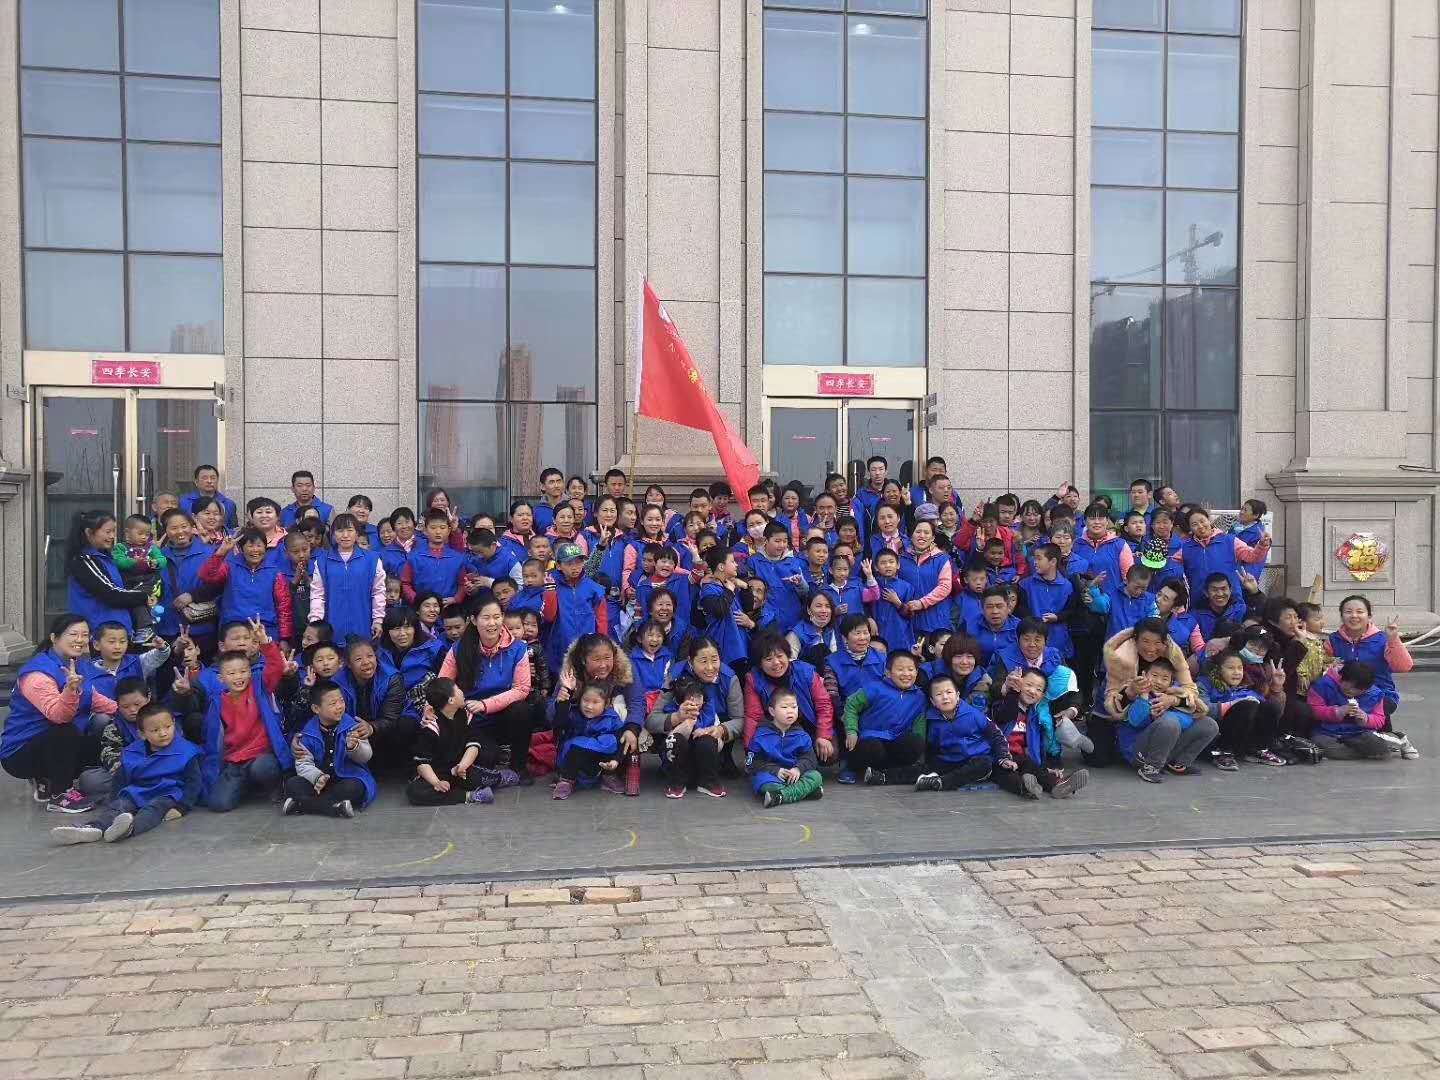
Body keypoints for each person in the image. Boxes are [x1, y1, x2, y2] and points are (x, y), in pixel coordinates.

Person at [1, 614, 112, 813]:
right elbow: (59, 716)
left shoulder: (77, 664)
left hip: (51, 745)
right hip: (20, 752)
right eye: (73, 634)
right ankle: (60, 795)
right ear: (54, 638)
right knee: (65, 731)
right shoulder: (37, 674)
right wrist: (70, 690)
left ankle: (47, 780)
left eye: (84, 634)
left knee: (102, 725)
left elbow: (94, 699)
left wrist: (136, 714)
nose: (80, 640)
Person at [51, 703, 203, 845]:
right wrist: (114, 801)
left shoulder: (186, 751)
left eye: (168, 727)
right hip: (137, 791)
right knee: (120, 805)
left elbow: (194, 783)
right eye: (155, 730)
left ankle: (129, 828)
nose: (163, 733)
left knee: (152, 810)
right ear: (142, 734)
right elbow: (120, 780)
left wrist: (182, 807)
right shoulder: (133, 752)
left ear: (174, 724)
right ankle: (93, 828)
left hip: (167, 794)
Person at [190, 618, 293, 811]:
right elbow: (212, 741)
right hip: (235, 760)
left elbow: (276, 667)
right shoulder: (217, 702)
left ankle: (274, 787)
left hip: (261, 755)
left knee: (263, 768)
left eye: (243, 671)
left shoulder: (259, 686)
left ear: (250, 672)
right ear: (221, 678)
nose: (239, 677)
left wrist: (265, 641)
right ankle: (244, 786)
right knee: (218, 804)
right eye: (232, 674)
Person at [437, 596, 534, 785]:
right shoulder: (459, 649)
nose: (492, 623)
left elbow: (522, 689)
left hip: (503, 714)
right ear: (473, 620)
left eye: (497, 617)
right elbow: (443, 685)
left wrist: (485, 704)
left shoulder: (518, 648)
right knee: (487, 758)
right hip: (472, 719)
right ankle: (494, 755)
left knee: (522, 710)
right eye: (486, 617)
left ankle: (519, 767)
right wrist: (429, 710)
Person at [1327, 595, 1414, 744]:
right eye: (1348, 612)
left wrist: (1393, 639)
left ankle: (1390, 740)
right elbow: (1325, 671)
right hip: (1344, 694)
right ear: (1341, 616)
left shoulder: (1383, 639)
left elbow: (1404, 666)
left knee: (1372, 712)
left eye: (1360, 612)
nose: (1354, 616)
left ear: (1369, 616)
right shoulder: (1333, 640)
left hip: (1381, 694)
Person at [282, 679, 376, 818]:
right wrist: (317, 777)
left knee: (354, 787)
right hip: (319, 780)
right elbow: (303, 763)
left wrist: (354, 747)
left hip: (346, 777)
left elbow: (366, 756)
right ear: (316, 709)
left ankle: (302, 805)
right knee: (292, 784)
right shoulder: (307, 733)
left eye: (341, 701)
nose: (339, 706)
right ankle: (335, 807)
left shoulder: (353, 726)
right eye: (333, 703)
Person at [990, 669, 1090, 799]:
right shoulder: (1001, 704)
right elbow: (1006, 714)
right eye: (1028, 685)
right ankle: (1026, 787)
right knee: (1007, 775)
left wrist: (1045, 767)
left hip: (1022, 759)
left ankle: (1058, 784)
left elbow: (1037, 745)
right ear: (1019, 683)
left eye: (1038, 689)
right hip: (998, 758)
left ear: (1042, 696)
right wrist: (1013, 692)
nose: (1032, 691)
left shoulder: (1034, 716)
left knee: (1034, 768)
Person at [1115, 657, 1216, 783]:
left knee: (1209, 724)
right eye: (1154, 675)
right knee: (1170, 721)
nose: (1158, 681)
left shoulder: (1173, 696)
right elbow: (1136, 722)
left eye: (1165, 678)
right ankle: (1150, 767)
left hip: (1164, 749)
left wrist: (1172, 704)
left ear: (1171, 682)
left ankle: (1178, 763)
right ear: (1144, 674)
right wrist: (1144, 696)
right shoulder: (1135, 692)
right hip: (1137, 750)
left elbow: (1188, 720)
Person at [406, 678, 501, 805]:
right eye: (458, 689)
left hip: (460, 768)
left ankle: (498, 778)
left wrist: (462, 766)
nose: (462, 692)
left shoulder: (465, 714)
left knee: (482, 765)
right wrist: (437, 782)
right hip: (437, 773)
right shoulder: (431, 727)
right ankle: (470, 796)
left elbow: (473, 744)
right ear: (451, 700)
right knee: (415, 791)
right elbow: (422, 763)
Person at [912, 674, 1012, 793]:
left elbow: (996, 736)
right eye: (939, 694)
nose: (945, 697)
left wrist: (1004, 757)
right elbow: (933, 747)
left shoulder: (973, 714)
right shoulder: (931, 720)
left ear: (958, 695)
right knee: (923, 768)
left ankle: (940, 782)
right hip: (950, 761)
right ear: (933, 701)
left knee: (984, 764)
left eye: (949, 692)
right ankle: (889, 777)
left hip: (975, 760)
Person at [842, 651, 927, 786]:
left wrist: (920, 750)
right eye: (900, 669)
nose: (906, 674)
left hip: (896, 741)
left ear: (916, 672)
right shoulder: (874, 688)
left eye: (911, 670)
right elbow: (851, 705)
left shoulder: (919, 696)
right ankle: (852, 768)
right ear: (888, 672)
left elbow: (920, 724)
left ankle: (885, 773)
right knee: (873, 748)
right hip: (871, 739)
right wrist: (851, 731)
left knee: (915, 742)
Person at [66, 511, 155, 638]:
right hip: (99, 632)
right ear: (89, 532)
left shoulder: (105, 558)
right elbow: (111, 593)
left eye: (114, 531)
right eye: (108, 532)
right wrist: (143, 596)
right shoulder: (84, 560)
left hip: (114, 631)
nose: (112, 536)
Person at [199, 528, 292, 646]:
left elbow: (284, 606)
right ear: (241, 548)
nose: (255, 550)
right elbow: (206, 576)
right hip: (233, 628)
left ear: (265, 548)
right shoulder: (230, 566)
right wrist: (222, 552)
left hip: (266, 628)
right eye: (250, 546)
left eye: (259, 545)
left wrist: (284, 638)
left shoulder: (275, 572)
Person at [1198, 651, 1288, 770]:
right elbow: (1203, 709)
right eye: (1231, 668)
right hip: (1217, 735)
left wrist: (1276, 687)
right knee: (1246, 706)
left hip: (1242, 737)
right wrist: (1231, 705)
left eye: (1239, 668)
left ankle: (1257, 750)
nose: (1236, 672)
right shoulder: (1205, 684)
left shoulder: (1247, 685)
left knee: (1270, 706)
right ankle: (1224, 752)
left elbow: (1274, 713)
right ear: (1218, 669)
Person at [309, 512, 386, 645]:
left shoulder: (372, 559)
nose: (345, 535)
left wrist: (378, 620)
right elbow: (317, 595)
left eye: (350, 530)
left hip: (363, 623)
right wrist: (316, 622)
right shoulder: (322, 561)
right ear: (333, 534)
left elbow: (378, 592)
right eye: (340, 530)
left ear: (357, 533)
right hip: (332, 625)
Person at [551, 682, 631, 800]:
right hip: (573, 759)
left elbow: (621, 741)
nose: (589, 706)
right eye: (586, 700)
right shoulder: (574, 714)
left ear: (606, 704)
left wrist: (615, 760)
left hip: (598, 762)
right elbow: (559, 723)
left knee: (610, 740)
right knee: (576, 744)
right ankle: (566, 780)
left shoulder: (612, 719)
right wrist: (563, 703)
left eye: (595, 702)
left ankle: (608, 776)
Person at [748, 686, 824, 809]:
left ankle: (780, 796)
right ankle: (804, 791)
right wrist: (776, 770)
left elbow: (810, 759)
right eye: (784, 707)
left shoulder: (802, 735)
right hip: (773, 775)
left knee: (816, 776)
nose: (790, 711)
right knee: (764, 783)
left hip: (795, 775)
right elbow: (753, 763)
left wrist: (798, 769)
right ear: (772, 711)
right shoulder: (761, 735)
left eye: (794, 707)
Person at [1306, 661, 1397, 761]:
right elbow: (1314, 710)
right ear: (1341, 678)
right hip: (1327, 731)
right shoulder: (1323, 685)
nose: (1351, 691)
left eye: (1356, 689)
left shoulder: (1375, 694)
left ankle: (1351, 753)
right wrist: (1338, 711)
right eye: (1347, 688)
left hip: (1358, 733)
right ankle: (1358, 754)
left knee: (1378, 745)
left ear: (1366, 689)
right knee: (1320, 742)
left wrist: (1366, 718)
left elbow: (1379, 719)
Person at [402, 509, 469, 606]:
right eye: (433, 528)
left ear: (448, 530)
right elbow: (405, 583)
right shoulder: (414, 557)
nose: (438, 532)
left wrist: (456, 599)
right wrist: (418, 601)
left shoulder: (457, 558)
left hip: (450, 608)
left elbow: (463, 584)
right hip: (422, 609)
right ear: (425, 530)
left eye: (442, 528)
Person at [181, 464, 238, 529]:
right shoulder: (184, 502)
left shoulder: (229, 504)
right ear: (196, 482)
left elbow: (233, 529)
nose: (209, 481)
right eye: (205, 478)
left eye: (213, 478)